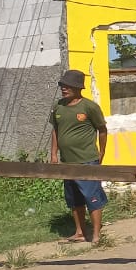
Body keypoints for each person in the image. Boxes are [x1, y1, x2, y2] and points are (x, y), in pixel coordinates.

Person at [49, 69, 108, 244]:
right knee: (74, 200)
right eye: (62, 85)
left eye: (68, 86)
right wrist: (53, 154)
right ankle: (80, 232)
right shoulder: (58, 106)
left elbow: (102, 129)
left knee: (92, 197)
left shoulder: (89, 107)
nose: (64, 88)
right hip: (68, 162)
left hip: (87, 160)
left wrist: (102, 152)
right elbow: (55, 130)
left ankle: (96, 235)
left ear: (78, 88)